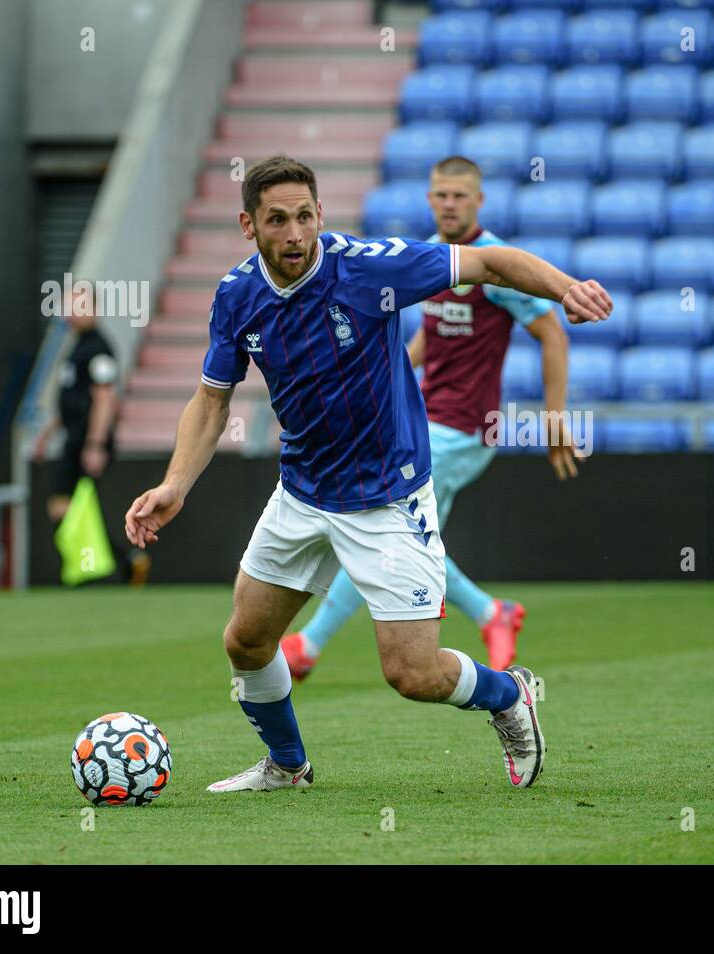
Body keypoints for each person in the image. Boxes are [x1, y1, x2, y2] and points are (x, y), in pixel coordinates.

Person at [124, 155, 612, 792]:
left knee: (413, 675)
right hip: (302, 493)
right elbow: (212, 400)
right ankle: (287, 766)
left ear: (321, 214)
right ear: (249, 225)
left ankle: (507, 695)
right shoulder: (236, 296)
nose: (295, 233)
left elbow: (491, 262)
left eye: (305, 216)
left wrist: (565, 287)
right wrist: (174, 486)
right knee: (245, 641)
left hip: (388, 496)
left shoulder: (367, 267)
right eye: (277, 220)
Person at [281, 155, 577, 678]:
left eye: (459, 196)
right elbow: (427, 341)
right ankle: (492, 612)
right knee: (400, 537)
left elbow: (552, 331)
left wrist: (555, 417)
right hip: (423, 419)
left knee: (379, 528)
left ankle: (309, 644)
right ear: (429, 198)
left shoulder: (490, 262)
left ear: (478, 201)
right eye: (440, 194)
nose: (448, 204)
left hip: (466, 426)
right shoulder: (437, 258)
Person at [34, 287, 148, 586]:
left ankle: (106, 565)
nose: (73, 311)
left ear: (95, 308)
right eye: (70, 305)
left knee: (67, 506)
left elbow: (104, 398)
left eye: (80, 305)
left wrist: (95, 444)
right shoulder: (78, 346)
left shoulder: (98, 348)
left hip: (87, 441)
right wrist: (49, 432)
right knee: (73, 508)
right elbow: (74, 398)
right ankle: (112, 564)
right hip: (74, 438)